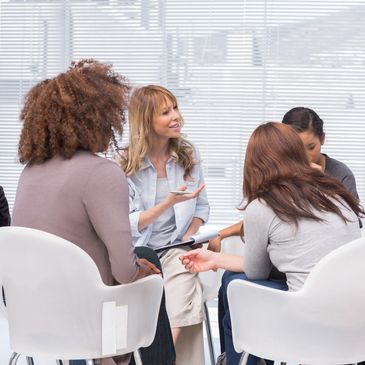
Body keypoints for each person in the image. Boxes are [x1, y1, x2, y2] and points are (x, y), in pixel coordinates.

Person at [11, 60, 175, 365]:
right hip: (89, 320)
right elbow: (125, 273)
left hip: (30, 318)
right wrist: (142, 268)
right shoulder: (101, 173)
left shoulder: (29, 172)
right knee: (147, 259)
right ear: (95, 119)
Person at [180, 122, 363, 365]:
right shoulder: (336, 193)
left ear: (254, 164)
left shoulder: (263, 207)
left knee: (235, 286)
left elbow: (257, 272)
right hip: (354, 317)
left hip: (309, 319)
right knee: (233, 283)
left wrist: (218, 262)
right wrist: (215, 259)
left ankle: (239, 360)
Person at [119, 85, 209, 364]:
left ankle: (157, 359)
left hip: (176, 247)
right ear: (146, 120)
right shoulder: (124, 163)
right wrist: (168, 202)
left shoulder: (188, 155)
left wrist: (190, 236)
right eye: (165, 112)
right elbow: (129, 223)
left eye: (176, 108)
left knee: (183, 277)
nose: (176, 117)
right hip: (139, 252)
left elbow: (202, 207)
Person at [282, 106, 359, 198]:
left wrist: (320, 182)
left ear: (322, 139)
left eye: (311, 147)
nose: (304, 156)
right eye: (296, 148)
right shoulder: (277, 172)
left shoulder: (341, 174)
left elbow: (350, 212)